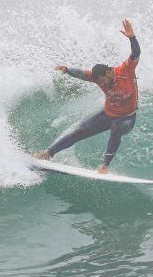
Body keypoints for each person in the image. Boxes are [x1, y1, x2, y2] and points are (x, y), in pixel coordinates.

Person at [34, 19, 141, 174]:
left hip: (127, 118)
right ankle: (47, 154)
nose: (103, 84)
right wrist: (67, 69)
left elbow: (136, 53)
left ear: (109, 72)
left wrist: (132, 37)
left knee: (117, 128)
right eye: (100, 82)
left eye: (104, 80)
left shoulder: (125, 71)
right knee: (79, 131)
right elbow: (82, 74)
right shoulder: (99, 78)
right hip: (107, 114)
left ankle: (104, 166)